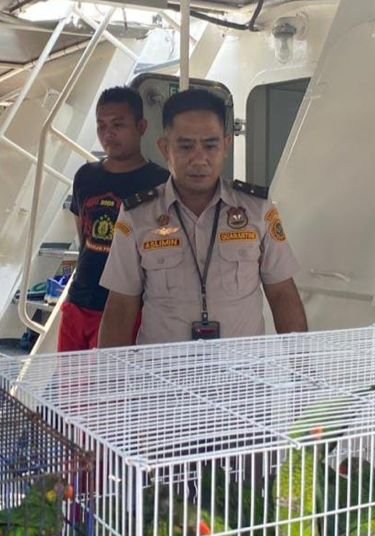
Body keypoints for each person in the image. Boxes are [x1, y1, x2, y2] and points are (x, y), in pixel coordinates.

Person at [98, 87, 307, 346]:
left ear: (226, 145)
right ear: (165, 148)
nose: (199, 159)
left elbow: (282, 294)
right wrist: (109, 372)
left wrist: (301, 365)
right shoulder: (137, 217)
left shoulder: (257, 209)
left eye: (210, 145)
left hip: (242, 368)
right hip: (167, 369)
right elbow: (121, 306)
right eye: (185, 146)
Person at [59, 87, 169, 352]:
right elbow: (84, 237)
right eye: (102, 126)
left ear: (141, 127)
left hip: (127, 308)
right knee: (68, 380)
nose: (108, 133)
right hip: (79, 301)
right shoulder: (85, 176)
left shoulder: (160, 183)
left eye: (118, 125)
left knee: (110, 380)